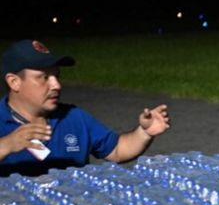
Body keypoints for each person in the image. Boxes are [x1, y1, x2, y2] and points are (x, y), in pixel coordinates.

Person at [0, 39, 170, 177]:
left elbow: (117, 150)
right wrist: (6, 145)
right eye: (44, 77)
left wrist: (144, 132)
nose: (56, 85)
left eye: (57, 76)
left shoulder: (73, 117)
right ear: (14, 82)